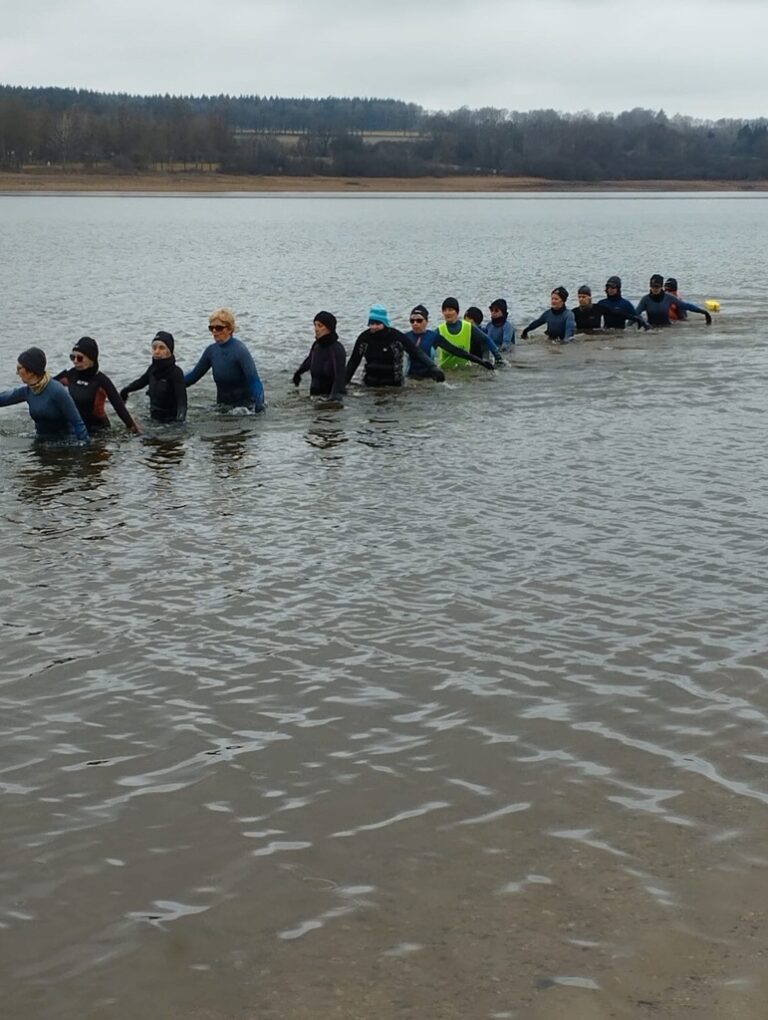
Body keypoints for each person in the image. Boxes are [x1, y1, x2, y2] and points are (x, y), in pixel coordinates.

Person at [0, 347, 89, 442]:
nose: (17, 373)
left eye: (19, 368)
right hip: (41, 440)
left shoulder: (57, 391)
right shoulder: (28, 391)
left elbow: (78, 423)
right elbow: (5, 398)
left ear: (31, 371)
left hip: (64, 443)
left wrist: (83, 448)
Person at [55, 337, 141, 434]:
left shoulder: (101, 380)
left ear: (91, 359)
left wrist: (133, 428)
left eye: (79, 358)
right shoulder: (70, 374)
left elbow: (119, 406)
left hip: (99, 430)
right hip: (77, 427)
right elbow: (47, 385)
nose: (75, 361)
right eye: (72, 357)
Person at [345, 304, 445, 387]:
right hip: (369, 385)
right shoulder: (364, 339)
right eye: (371, 323)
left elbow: (416, 352)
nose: (374, 327)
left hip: (394, 386)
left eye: (378, 323)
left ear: (384, 323)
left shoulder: (396, 337)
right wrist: (342, 384)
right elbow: (353, 362)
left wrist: (433, 367)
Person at [185, 308, 265, 411]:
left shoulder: (240, 350)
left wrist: (259, 405)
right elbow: (193, 376)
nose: (214, 331)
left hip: (245, 410)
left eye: (219, 328)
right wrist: (171, 382)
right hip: (222, 408)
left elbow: (254, 380)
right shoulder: (211, 351)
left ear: (230, 329)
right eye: (211, 328)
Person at [403, 304, 494, 378]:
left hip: (429, 380)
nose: (415, 323)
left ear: (426, 321)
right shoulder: (405, 337)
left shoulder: (433, 337)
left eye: (419, 320)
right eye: (412, 321)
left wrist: (482, 362)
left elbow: (457, 351)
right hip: (411, 379)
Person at [119, 331, 187, 422]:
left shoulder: (176, 373)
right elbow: (139, 383)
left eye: (161, 348)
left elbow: (182, 403)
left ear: (170, 351)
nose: (157, 352)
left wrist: (180, 423)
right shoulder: (152, 369)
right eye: (154, 348)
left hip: (171, 422)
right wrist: (124, 391)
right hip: (153, 419)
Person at [292, 311, 346, 401]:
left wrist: (332, 399)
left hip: (330, 398)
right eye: (315, 325)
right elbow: (309, 361)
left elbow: (339, 377)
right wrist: (298, 373)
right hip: (315, 397)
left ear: (329, 328)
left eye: (320, 326)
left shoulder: (337, 349)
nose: (316, 329)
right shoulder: (316, 345)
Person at [437, 298, 503, 368]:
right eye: (444, 310)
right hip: (446, 371)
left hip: (466, 369)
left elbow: (486, 339)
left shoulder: (468, 327)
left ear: (457, 312)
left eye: (450, 310)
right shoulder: (440, 330)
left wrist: (498, 358)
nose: (447, 313)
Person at [636, 274, 712, 327]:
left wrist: (704, 312)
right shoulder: (645, 300)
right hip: (651, 329)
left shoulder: (668, 298)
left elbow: (685, 305)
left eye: (657, 286)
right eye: (652, 286)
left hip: (667, 328)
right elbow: (635, 314)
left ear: (661, 287)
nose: (654, 289)